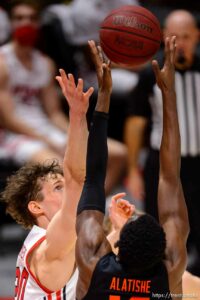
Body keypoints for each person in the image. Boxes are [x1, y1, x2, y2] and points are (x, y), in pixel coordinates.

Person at [75, 36, 190, 299]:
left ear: (117, 244)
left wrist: (103, 93)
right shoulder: (170, 269)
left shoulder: (93, 262)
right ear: (164, 250)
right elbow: (170, 178)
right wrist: (169, 93)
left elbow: (93, 177)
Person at [124, 9, 200, 276]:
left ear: (197, 36)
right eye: (175, 37)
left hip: (198, 162)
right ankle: (161, 288)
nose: (181, 43)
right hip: (163, 164)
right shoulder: (151, 74)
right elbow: (136, 123)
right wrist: (133, 168)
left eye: (187, 36)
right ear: (165, 37)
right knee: (162, 232)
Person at [0, 1, 70, 165]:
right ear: (11, 23)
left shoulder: (45, 63)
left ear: (38, 24)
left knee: (113, 155)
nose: (26, 23)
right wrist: (48, 141)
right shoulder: (2, 62)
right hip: (12, 135)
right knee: (62, 168)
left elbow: (53, 113)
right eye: (20, 18)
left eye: (32, 18)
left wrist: (76, 135)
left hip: (43, 127)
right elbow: (8, 120)